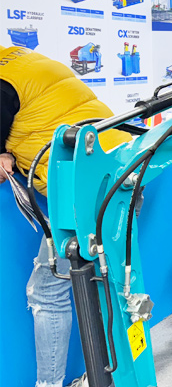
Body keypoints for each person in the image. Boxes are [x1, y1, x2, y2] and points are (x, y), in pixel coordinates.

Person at [0, 45, 129, 387]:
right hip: (118, 166)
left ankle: (53, 384)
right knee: (107, 280)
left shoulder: (3, 84)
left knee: (47, 291)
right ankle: (111, 375)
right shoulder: (18, 59)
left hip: (84, 186)